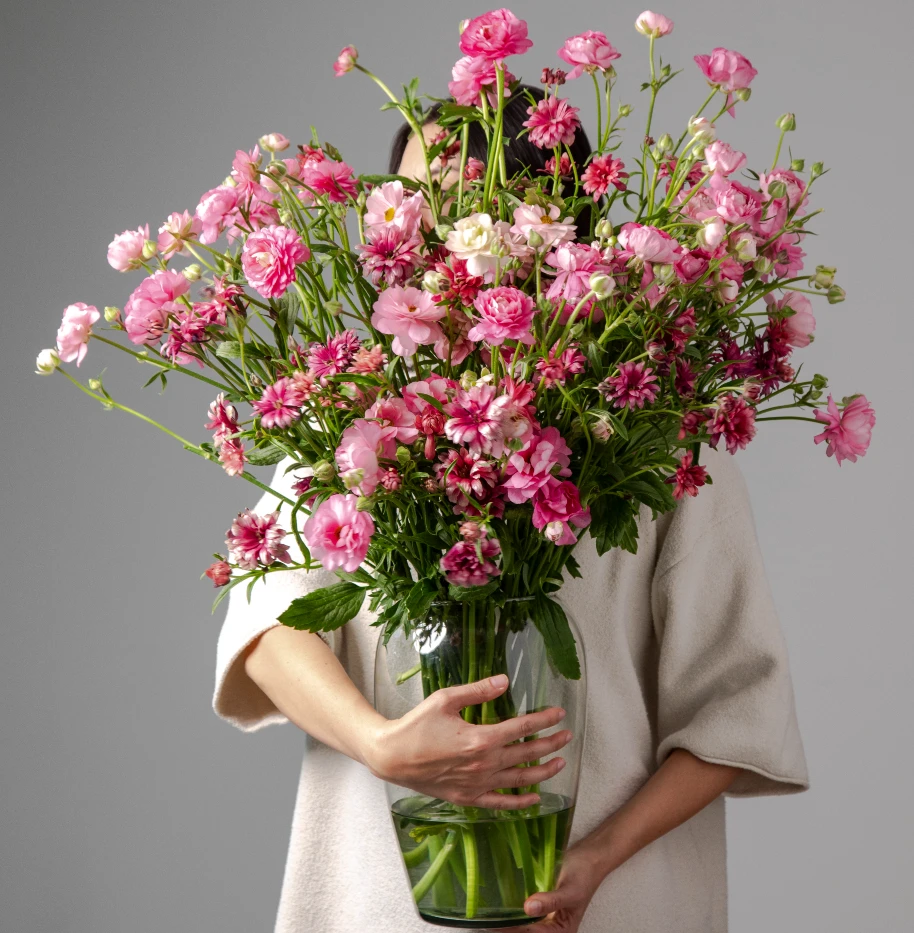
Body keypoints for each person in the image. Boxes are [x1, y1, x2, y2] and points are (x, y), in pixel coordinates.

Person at [212, 86, 809, 933]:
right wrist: (383, 745)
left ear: (553, 225)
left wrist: (591, 861)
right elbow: (268, 624)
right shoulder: (353, 411)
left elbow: (733, 709)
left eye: (468, 209)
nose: (431, 236)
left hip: (605, 903)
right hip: (382, 890)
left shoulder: (660, 446)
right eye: (412, 209)